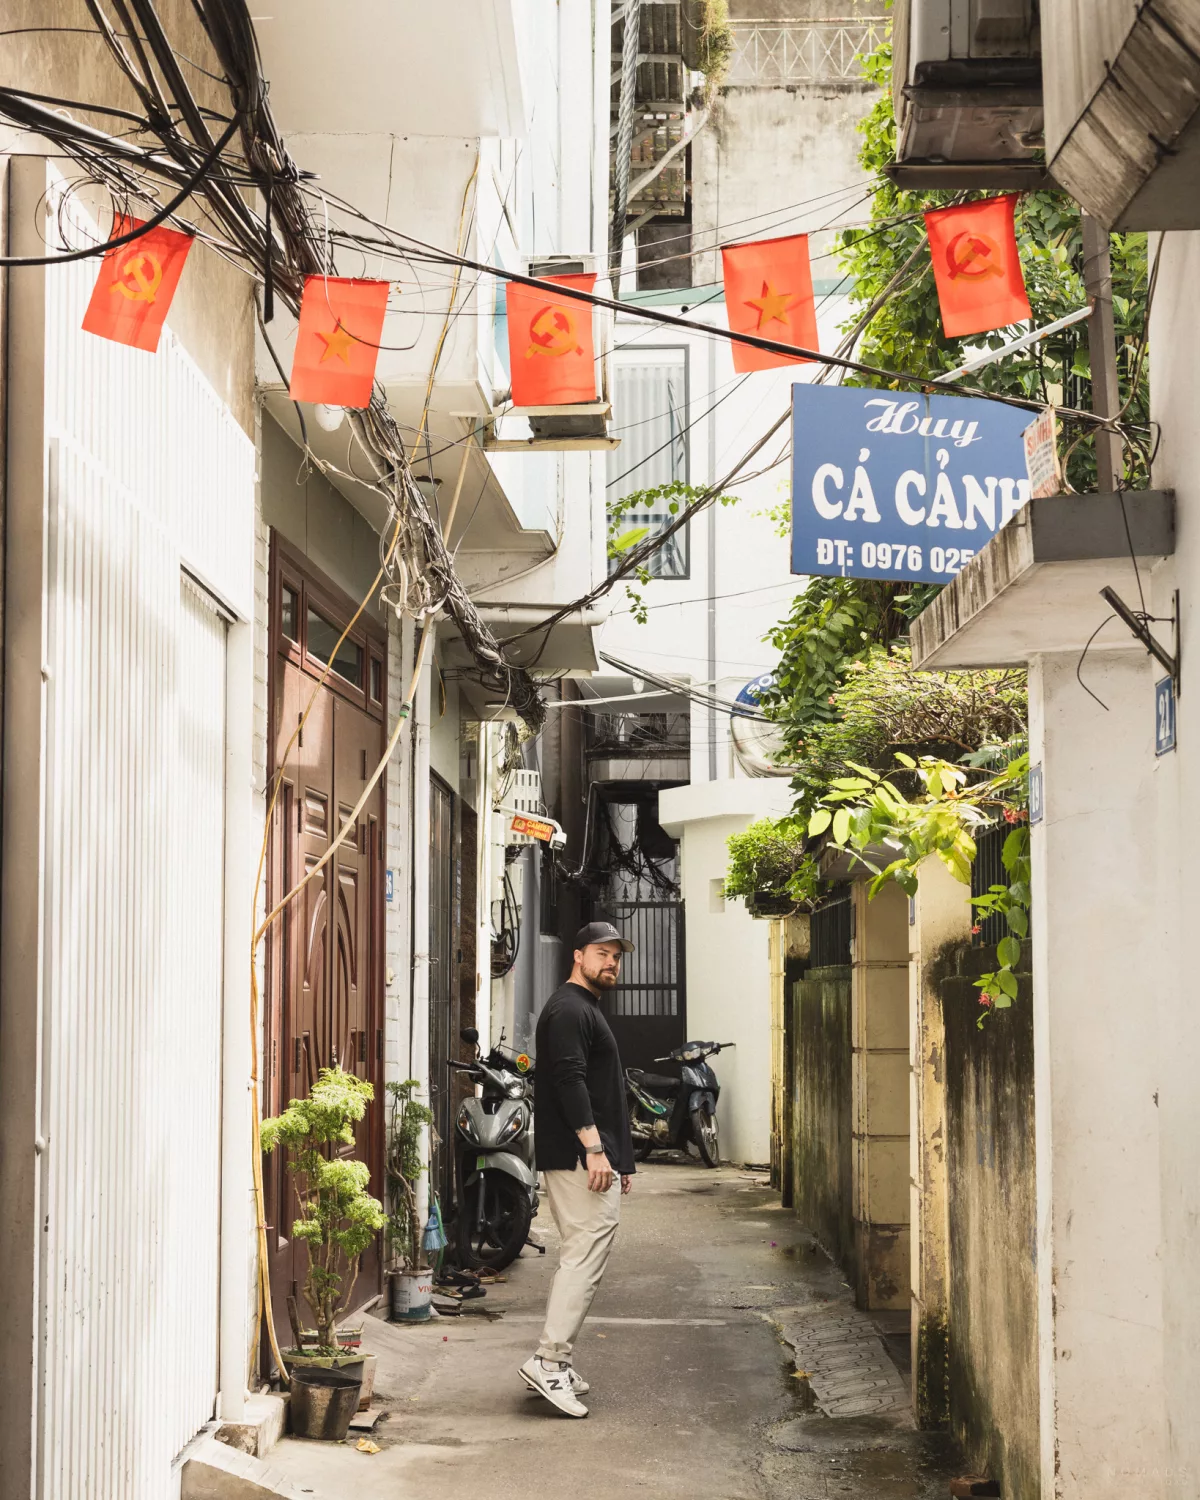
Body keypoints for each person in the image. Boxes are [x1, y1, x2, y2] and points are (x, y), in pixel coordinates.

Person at [519, 921, 637, 1417]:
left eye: (616, 956)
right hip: (575, 1154)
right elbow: (569, 1081)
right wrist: (593, 1148)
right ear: (578, 955)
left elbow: (604, 1089)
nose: (611, 962)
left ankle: (556, 1360)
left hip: (588, 1151)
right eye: (602, 953)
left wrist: (619, 1157)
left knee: (582, 1252)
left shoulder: (584, 1007)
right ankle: (548, 1361)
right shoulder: (569, 1008)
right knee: (584, 1253)